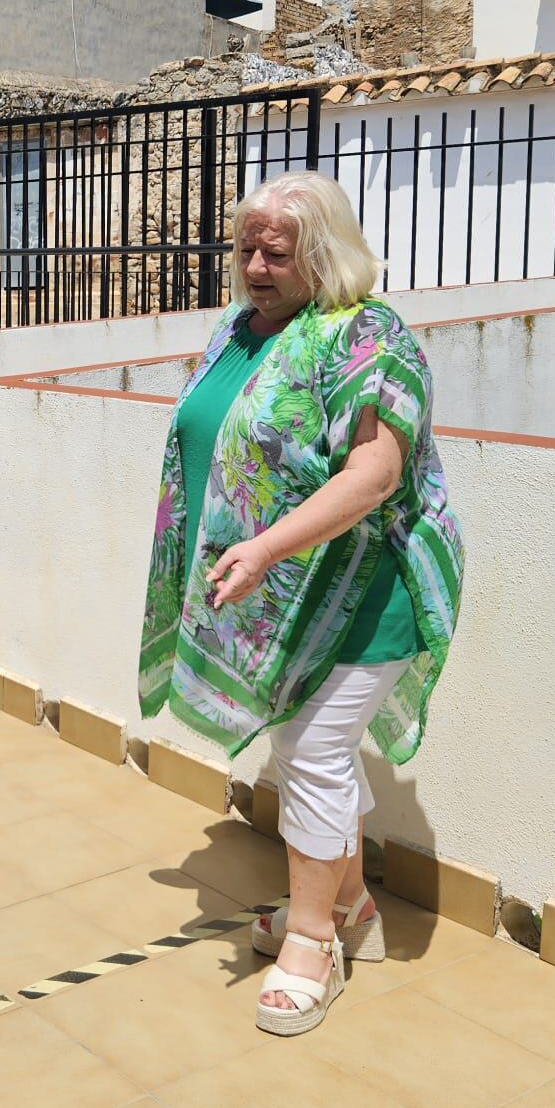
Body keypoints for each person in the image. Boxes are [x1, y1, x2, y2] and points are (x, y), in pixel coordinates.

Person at [138, 171, 464, 1037]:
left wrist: (269, 545)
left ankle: (315, 940)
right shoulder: (237, 332)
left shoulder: (369, 335)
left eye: (274, 252)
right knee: (301, 748)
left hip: (363, 590)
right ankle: (351, 904)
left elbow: (375, 473)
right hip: (276, 591)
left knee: (314, 751)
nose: (253, 265)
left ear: (322, 252)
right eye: (245, 248)